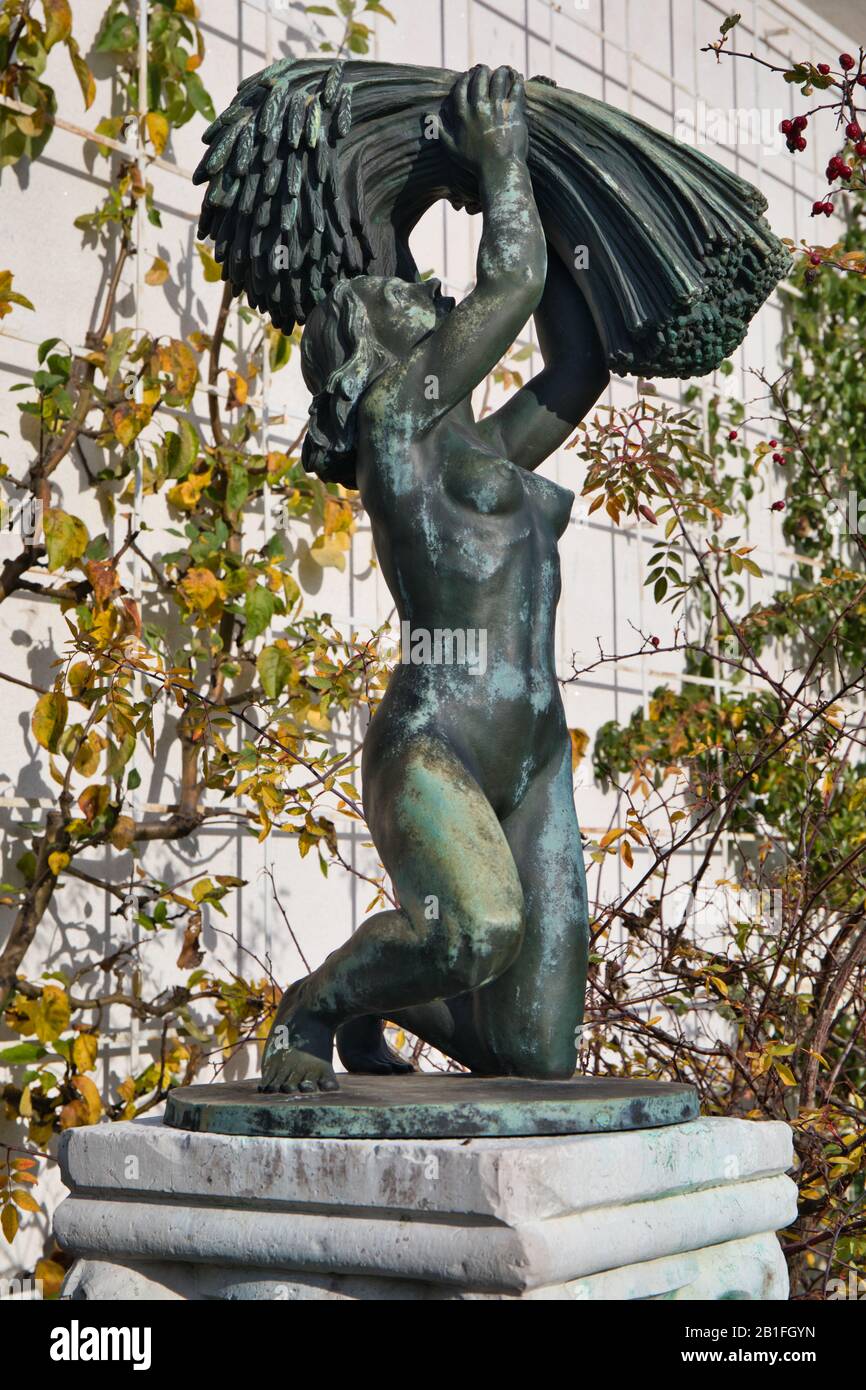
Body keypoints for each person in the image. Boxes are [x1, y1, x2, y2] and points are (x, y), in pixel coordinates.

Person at [260, 64, 610, 1092]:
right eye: (396, 292)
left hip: (535, 754)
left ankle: (380, 1000)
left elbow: (576, 368)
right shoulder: (394, 421)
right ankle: (314, 1006)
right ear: (366, 352)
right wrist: (499, 151)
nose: (424, 286)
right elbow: (510, 283)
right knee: (476, 931)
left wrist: (562, 178)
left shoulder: (484, 447)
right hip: (436, 741)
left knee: (535, 1055)